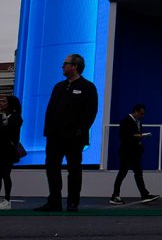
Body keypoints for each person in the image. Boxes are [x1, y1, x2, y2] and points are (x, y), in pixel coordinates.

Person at [34, 54, 98, 212]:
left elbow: (90, 113)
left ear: (75, 66)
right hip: (55, 137)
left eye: (65, 64)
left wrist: (80, 131)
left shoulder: (88, 87)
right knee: (52, 168)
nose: (62, 66)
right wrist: (48, 131)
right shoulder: (58, 87)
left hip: (74, 138)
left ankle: (73, 202)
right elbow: (50, 110)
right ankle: (54, 201)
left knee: (74, 169)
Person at [110, 104, 160, 205]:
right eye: (141, 114)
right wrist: (139, 135)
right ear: (135, 112)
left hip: (135, 151)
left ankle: (144, 194)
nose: (142, 116)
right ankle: (115, 196)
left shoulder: (138, 121)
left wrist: (140, 137)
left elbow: (135, 135)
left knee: (138, 173)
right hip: (127, 151)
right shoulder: (126, 120)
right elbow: (124, 136)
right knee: (122, 173)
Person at [0, 95, 23, 210]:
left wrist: (2, 127)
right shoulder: (1, 117)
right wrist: (2, 126)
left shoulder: (17, 117)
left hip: (9, 150)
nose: (1, 103)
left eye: (4, 101)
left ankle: (7, 200)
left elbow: (10, 131)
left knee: (6, 174)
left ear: (10, 104)